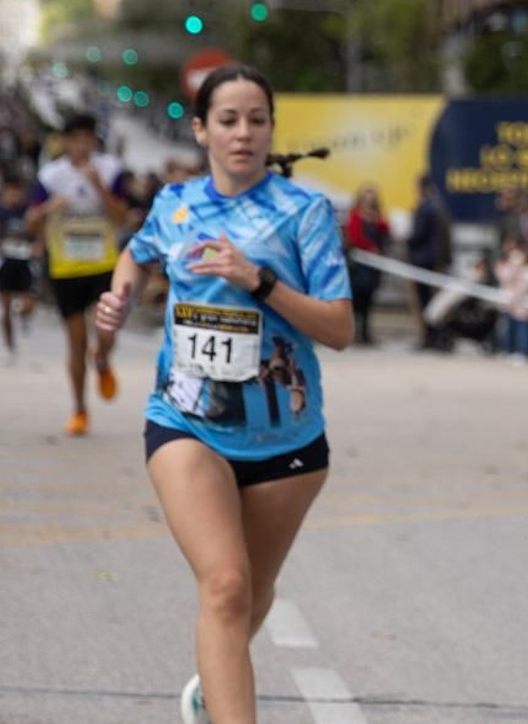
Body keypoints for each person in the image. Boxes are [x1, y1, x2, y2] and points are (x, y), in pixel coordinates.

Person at [94, 64, 353, 724]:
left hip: (287, 437)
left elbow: (340, 327)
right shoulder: (175, 203)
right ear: (202, 128)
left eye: (256, 120)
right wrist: (121, 294)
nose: (243, 133)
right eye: (229, 120)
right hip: (187, 422)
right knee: (227, 584)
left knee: (251, 593)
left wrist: (259, 281)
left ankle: (214, 683)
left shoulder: (305, 212)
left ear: (271, 130)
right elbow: (137, 252)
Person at [27, 112, 128, 435]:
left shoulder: (110, 169)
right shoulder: (51, 175)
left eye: (88, 138)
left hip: (103, 264)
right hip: (66, 267)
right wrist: (46, 210)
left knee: (107, 330)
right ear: (66, 141)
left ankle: (102, 361)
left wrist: (98, 185)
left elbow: (122, 217)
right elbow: (31, 220)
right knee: (76, 342)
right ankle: (80, 409)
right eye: (76, 138)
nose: (82, 145)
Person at [0, 170, 40, 360]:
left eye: (17, 192)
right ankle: (9, 345)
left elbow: (39, 232)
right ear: (4, 192)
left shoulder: (28, 212)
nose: (14, 196)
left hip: (25, 263)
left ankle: (25, 316)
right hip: (4, 262)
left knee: (28, 303)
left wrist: (37, 247)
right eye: (10, 192)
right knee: (5, 308)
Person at [406, 174, 453, 351]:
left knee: (426, 302)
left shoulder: (426, 207)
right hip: (436, 261)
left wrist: (405, 237)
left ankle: (429, 338)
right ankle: (434, 337)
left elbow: (418, 235)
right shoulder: (439, 205)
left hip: (424, 261)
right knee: (435, 302)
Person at [344, 183, 391, 346]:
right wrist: (369, 248)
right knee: (358, 299)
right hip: (360, 266)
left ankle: (366, 332)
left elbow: (386, 230)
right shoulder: (356, 215)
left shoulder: (377, 217)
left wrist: (376, 219)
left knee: (369, 300)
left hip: (373, 267)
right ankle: (356, 332)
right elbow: (355, 237)